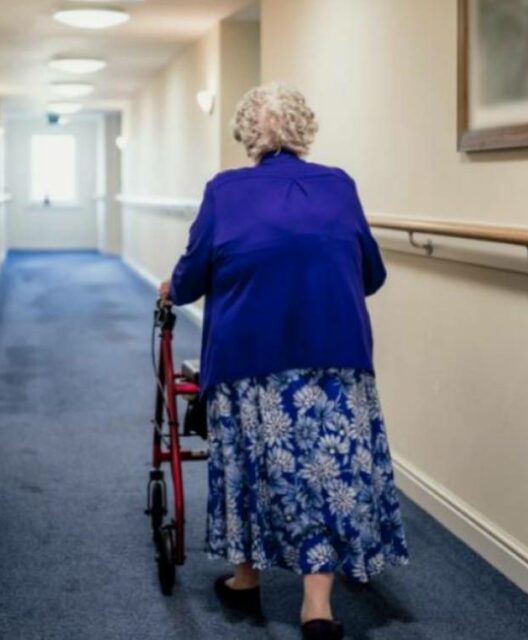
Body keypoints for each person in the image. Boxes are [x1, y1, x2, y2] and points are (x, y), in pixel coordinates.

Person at [159, 83, 408, 640]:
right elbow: (372, 273)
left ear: (249, 135)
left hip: (250, 356)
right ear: (303, 129)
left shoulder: (225, 191)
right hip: (335, 355)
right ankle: (317, 606)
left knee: (252, 462)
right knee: (328, 471)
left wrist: (169, 289)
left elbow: (194, 274)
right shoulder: (339, 186)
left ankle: (246, 577)